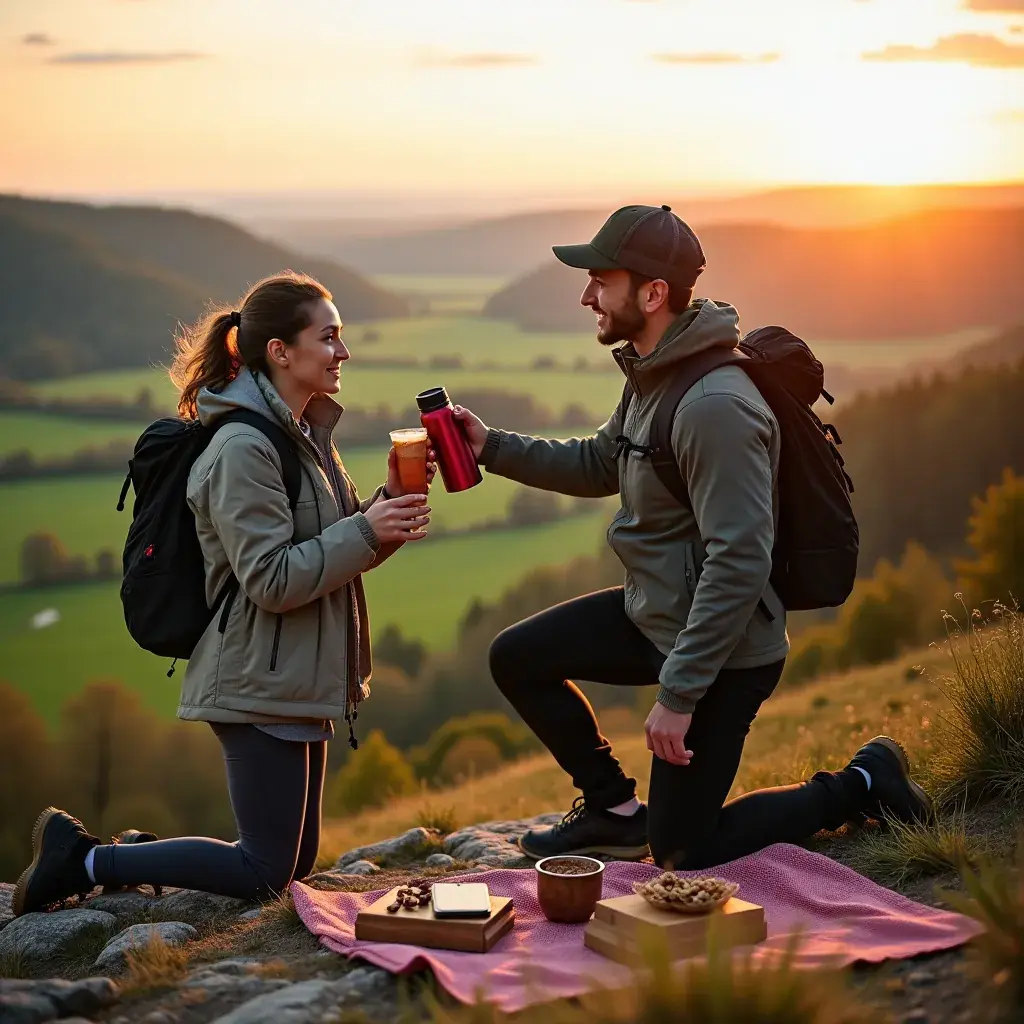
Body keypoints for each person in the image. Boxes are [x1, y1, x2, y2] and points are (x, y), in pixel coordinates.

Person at [453, 205, 933, 869]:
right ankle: (612, 810)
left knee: (683, 849)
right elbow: (602, 462)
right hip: (657, 613)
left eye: (602, 280)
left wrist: (678, 696)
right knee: (518, 656)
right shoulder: (655, 371)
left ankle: (860, 784)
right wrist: (492, 447)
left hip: (727, 650)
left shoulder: (714, 407)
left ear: (652, 293)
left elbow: (739, 562)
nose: (587, 295)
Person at [13, 272, 433, 915]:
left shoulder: (305, 435)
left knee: (294, 866)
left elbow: (338, 556)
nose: (343, 352)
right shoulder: (243, 447)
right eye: (329, 337)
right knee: (265, 871)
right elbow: (271, 579)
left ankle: (137, 852)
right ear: (280, 352)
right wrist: (362, 529)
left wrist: (386, 509)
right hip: (253, 677)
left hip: (294, 675)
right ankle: (84, 858)